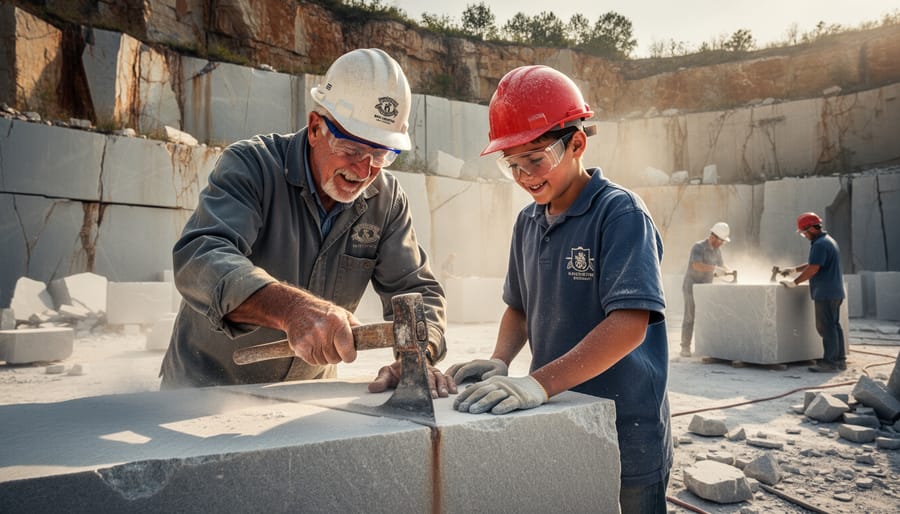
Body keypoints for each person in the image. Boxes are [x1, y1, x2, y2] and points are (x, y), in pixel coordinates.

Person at [160, 48, 454, 398]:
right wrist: (291, 310)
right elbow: (201, 257)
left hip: (307, 397)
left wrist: (418, 355)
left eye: (380, 155)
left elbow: (417, 290)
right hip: (204, 391)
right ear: (316, 127)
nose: (364, 171)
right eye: (352, 149)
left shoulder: (386, 200)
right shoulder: (253, 167)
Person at [445, 65, 672, 513]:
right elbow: (520, 307)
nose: (525, 175)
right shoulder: (528, 222)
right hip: (559, 417)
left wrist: (539, 383)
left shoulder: (620, 214)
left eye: (536, 159)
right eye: (512, 164)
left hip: (627, 428)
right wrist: (500, 360)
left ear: (577, 143)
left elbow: (629, 324)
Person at [779, 212, 846, 372]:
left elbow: (814, 268)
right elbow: (813, 262)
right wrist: (794, 269)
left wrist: (794, 282)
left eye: (804, 233)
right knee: (834, 326)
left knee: (826, 327)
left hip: (826, 293)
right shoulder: (827, 241)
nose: (804, 235)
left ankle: (830, 363)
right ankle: (839, 360)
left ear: (811, 228)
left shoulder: (820, 244)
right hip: (834, 291)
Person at [680, 222, 731, 358]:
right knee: (690, 316)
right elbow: (697, 266)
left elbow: (721, 265)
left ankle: (704, 347)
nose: (722, 244)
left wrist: (728, 270)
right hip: (691, 286)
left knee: (705, 317)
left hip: (705, 287)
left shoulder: (717, 250)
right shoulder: (698, 247)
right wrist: (715, 269)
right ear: (714, 237)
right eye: (721, 241)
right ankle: (685, 347)